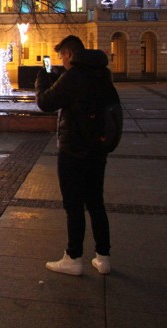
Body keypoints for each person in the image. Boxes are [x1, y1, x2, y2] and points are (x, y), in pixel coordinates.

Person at [35, 35, 120, 276]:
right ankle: (103, 258)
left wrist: (41, 79)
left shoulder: (74, 76)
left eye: (62, 56)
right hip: (97, 150)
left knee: (74, 206)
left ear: (69, 54)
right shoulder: (102, 75)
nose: (62, 61)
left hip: (73, 151)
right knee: (96, 203)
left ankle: (73, 257)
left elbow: (45, 102)